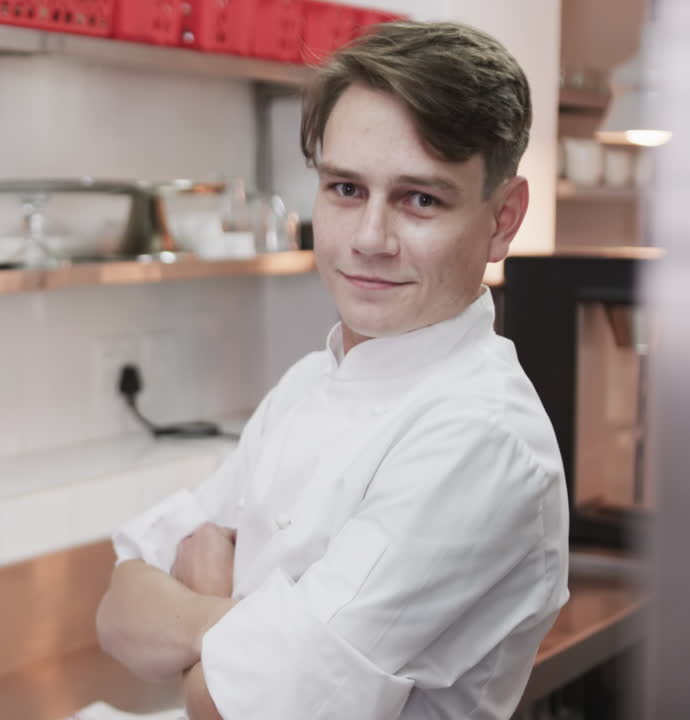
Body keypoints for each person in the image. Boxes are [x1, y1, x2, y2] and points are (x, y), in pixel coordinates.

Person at [96, 20, 570, 720]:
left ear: (503, 220)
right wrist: (246, 631)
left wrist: (203, 620)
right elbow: (118, 614)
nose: (370, 239)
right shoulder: (309, 384)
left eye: (421, 199)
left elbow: (226, 704)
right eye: (346, 189)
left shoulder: (482, 439)